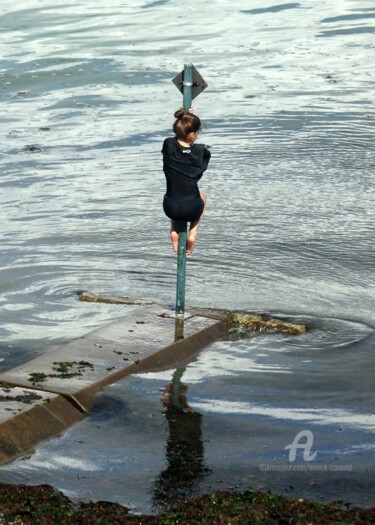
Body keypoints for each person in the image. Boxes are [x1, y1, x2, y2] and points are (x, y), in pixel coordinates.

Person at [162, 107, 211, 255]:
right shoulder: (202, 152)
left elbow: (175, 140)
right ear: (193, 134)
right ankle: (193, 231)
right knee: (202, 195)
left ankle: (174, 231)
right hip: (192, 209)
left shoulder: (168, 145)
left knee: (175, 194)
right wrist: (189, 117)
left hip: (170, 209)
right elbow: (199, 169)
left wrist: (185, 115)